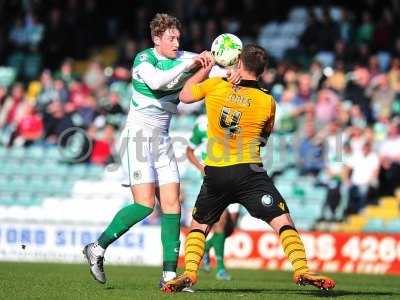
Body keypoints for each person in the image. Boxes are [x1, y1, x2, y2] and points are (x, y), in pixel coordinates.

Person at [162, 44, 336, 293]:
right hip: (249, 173)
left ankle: (190, 271)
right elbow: (264, 138)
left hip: (217, 173)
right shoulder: (267, 101)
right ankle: (301, 268)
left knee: (199, 225)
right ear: (263, 71)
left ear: (239, 64)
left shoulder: (217, 85)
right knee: (282, 220)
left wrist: (205, 69)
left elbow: (185, 96)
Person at [82, 13, 213, 287]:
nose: (177, 42)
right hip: (137, 138)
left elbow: (210, 66)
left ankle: (168, 276)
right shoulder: (144, 60)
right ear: (157, 39)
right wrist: (190, 63)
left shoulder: (182, 56)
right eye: (171, 38)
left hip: (163, 139)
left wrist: (227, 69)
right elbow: (158, 82)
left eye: (178, 37)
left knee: (173, 204)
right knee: (144, 204)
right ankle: (97, 247)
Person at [186, 114, 241, 281]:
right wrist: (200, 168)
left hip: (235, 175)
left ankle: (205, 249)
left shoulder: (233, 118)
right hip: (214, 177)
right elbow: (188, 151)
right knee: (221, 221)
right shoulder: (202, 122)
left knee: (229, 228)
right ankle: (221, 269)